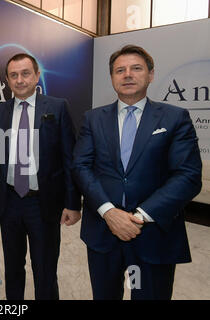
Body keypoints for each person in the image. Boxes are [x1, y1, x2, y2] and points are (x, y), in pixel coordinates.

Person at [73, 45, 202, 300]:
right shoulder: (93, 119)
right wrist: (109, 212)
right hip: (103, 234)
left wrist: (139, 217)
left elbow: (188, 175)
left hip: (151, 235)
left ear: (151, 75)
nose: (127, 75)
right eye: (120, 70)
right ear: (112, 77)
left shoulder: (174, 118)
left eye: (136, 68)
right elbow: (81, 166)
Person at [0, 53, 81, 300]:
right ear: (6, 79)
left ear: (37, 75)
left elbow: (70, 159)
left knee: (45, 270)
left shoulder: (58, 107)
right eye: (14, 75)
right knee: (13, 268)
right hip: (9, 202)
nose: (20, 80)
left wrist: (72, 203)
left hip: (44, 204)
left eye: (25, 73)